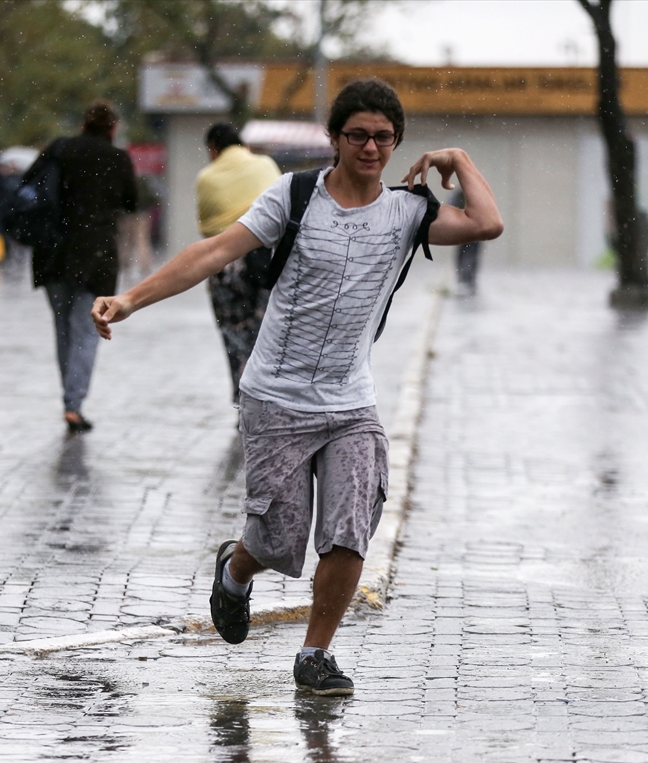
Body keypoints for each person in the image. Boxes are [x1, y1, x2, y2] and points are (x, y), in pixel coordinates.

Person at [92, 79, 503, 695]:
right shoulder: (296, 194)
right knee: (280, 538)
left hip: (350, 403)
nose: (370, 147)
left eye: (383, 137)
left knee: (349, 528)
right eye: (358, 135)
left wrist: (460, 159)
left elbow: (487, 223)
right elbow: (213, 252)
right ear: (335, 138)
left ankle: (316, 654)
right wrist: (130, 298)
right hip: (276, 396)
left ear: (396, 143)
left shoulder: (408, 211)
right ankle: (236, 571)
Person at [31, 99, 137, 433]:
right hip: (96, 256)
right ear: (113, 128)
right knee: (87, 332)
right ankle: (74, 403)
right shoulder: (117, 158)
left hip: (53, 253)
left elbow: (31, 190)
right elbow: (132, 201)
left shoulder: (59, 150)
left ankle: (70, 401)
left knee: (63, 331)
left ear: (83, 125)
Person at [195, 123, 282, 403]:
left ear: (213, 149)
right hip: (267, 260)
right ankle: (269, 395)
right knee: (268, 333)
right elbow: (284, 208)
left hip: (226, 266)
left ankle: (242, 396)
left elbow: (207, 226)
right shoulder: (266, 164)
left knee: (233, 335)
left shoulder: (206, 178)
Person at [449, 188, 481, 295]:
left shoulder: (474, 195)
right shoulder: (461, 195)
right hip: (466, 232)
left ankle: (467, 280)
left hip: (472, 233)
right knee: (465, 256)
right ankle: (464, 280)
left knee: (469, 257)